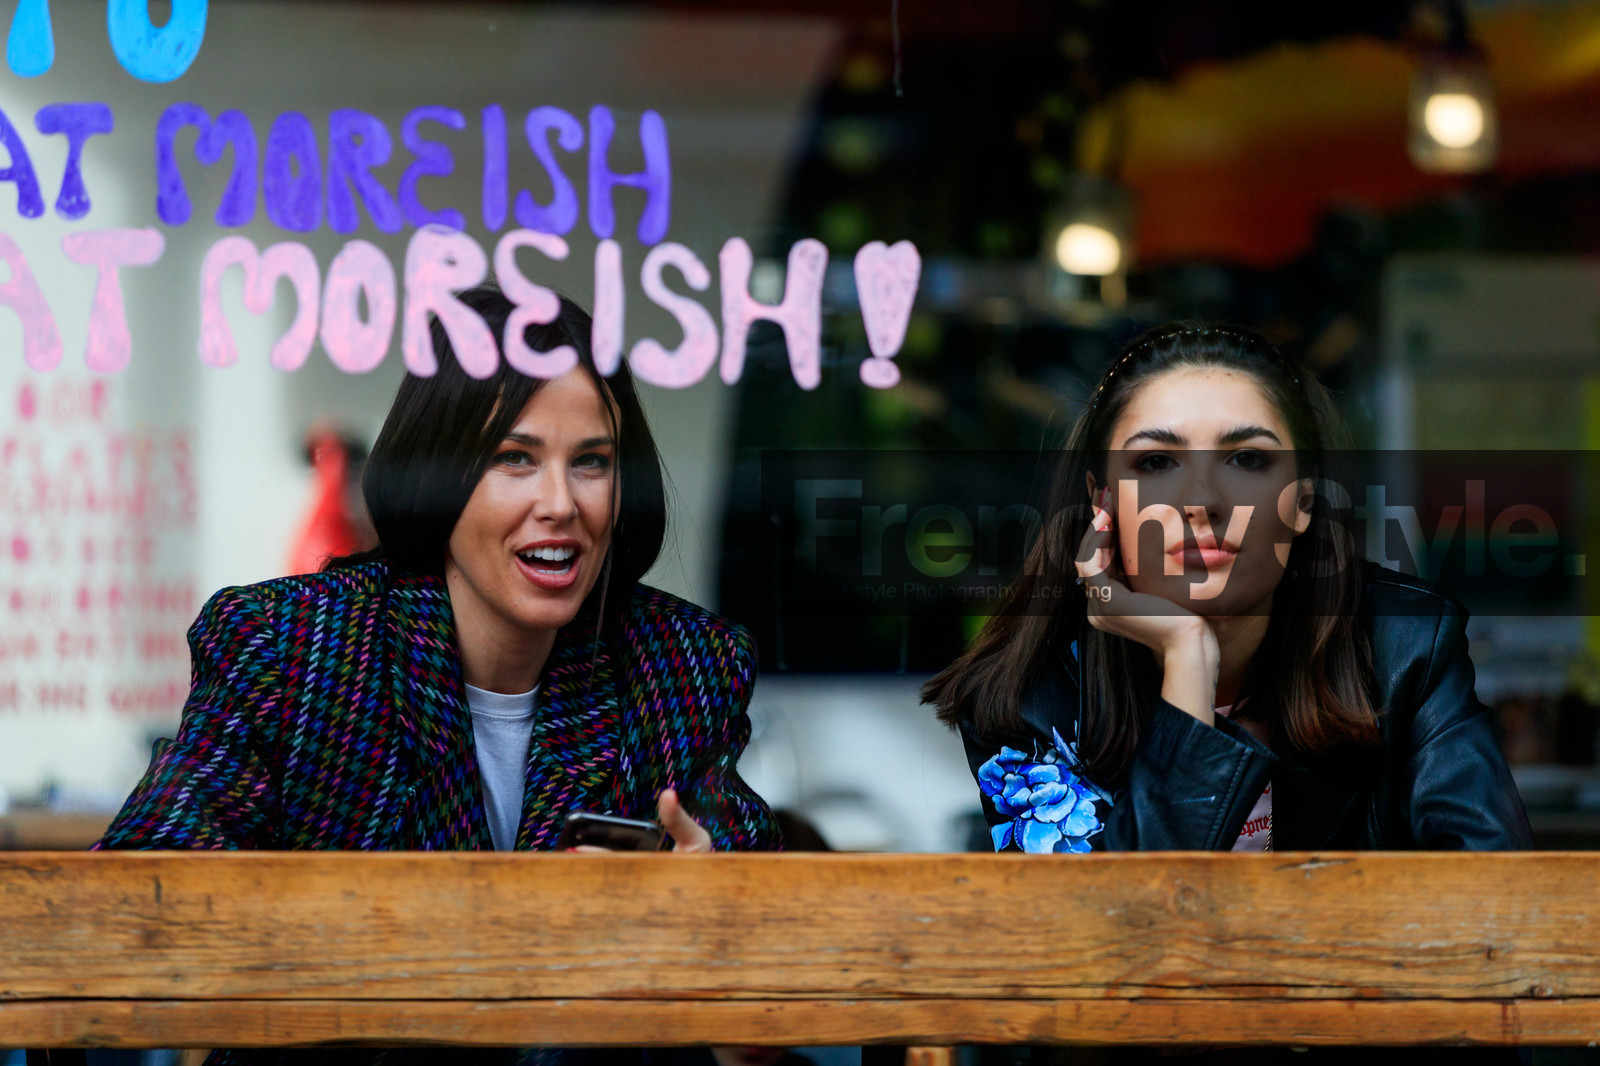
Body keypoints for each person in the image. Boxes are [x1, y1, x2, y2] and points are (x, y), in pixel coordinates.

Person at [94, 285, 782, 1063]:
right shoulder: (293, 648)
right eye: (514, 459)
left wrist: (710, 929)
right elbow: (138, 905)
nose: (560, 504)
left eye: (591, 462)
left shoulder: (680, 663)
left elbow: (764, 1014)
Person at [922, 323, 1531, 1062]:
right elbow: (1094, 987)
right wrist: (1186, 659)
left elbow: (1497, 920)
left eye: (1246, 459)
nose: (1202, 500)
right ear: (1100, 501)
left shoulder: (1405, 645)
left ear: (1302, 500)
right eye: (1156, 461)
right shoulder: (1025, 697)